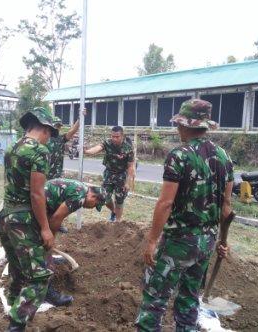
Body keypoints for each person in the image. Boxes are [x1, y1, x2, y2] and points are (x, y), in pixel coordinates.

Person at [135, 99, 234, 332]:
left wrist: (151, 240)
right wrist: (222, 240)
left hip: (179, 241)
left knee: (155, 298)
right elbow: (226, 205)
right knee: (189, 299)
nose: (177, 128)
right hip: (206, 242)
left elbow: (165, 203)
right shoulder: (224, 157)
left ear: (187, 125)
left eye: (179, 124)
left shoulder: (179, 155)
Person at [0, 107, 58, 332]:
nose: (49, 137)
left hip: (6, 216)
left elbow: (10, 185)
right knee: (39, 277)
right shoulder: (39, 151)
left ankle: (13, 303)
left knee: (18, 268)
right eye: (50, 132)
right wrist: (45, 228)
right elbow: (36, 194)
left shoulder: (13, 147)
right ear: (43, 128)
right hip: (23, 220)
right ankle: (16, 325)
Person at [84, 126, 135, 222]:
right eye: (113, 136)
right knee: (105, 197)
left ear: (122, 136)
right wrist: (87, 151)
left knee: (119, 200)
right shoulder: (107, 142)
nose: (114, 139)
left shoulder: (128, 148)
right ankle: (114, 211)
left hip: (121, 175)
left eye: (117, 136)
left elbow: (130, 167)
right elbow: (97, 148)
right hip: (109, 173)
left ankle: (118, 222)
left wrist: (128, 182)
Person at [47, 109, 86, 180]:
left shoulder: (61, 138)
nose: (58, 128)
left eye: (59, 126)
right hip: (45, 174)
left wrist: (80, 118)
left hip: (57, 174)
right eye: (56, 126)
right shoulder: (44, 138)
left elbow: (72, 131)